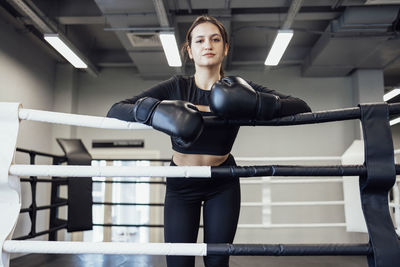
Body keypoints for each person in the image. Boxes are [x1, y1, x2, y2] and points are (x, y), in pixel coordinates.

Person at [107, 15, 311, 267]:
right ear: (189, 50)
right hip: (182, 184)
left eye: (215, 40)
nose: (208, 45)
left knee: (217, 261)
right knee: (179, 262)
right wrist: (156, 112)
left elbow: (302, 106)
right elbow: (116, 109)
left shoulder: (240, 88)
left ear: (225, 48)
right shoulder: (176, 87)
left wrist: (256, 103)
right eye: (200, 40)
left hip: (222, 183)